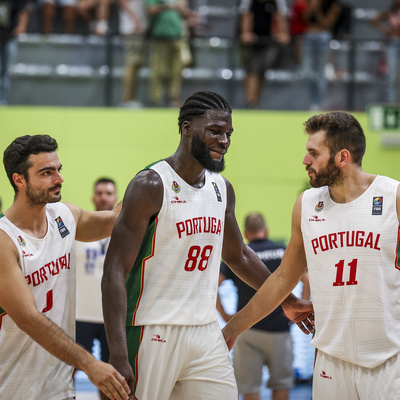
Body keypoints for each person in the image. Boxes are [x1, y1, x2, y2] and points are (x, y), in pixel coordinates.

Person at [101, 90, 314, 400]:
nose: (224, 140)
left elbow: (240, 256)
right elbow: (113, 271)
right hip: (152, 328)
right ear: (187, 128)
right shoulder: (150, 185)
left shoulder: (221, 188)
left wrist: (288, 300)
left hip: (205, 330)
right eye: (215, 131)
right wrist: (117, 352)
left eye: (228, 134)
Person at [222, 111, 400, 399]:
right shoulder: (306, 205)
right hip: (330, 360)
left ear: (342, 157)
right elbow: (282, 278)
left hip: (388, 360)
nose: (305, 160)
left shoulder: (393, 197)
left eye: (314, 153)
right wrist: (231, 330)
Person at [0, 135, 131, 400]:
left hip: (60, 388)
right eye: (46, 173)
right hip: (14, 388)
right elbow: (28, 318)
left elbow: (116, 220)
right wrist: (89, 363)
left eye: (58, 170)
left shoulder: (64, 216)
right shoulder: (5, 240)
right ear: (19, 180)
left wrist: (156, 175)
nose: (59, 179)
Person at [217, 212, 295, 400]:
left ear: (245, 233)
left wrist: (225, 315)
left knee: (249, 387)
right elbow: (307, 280)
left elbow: (213, 285)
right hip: (280, 328)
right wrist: (296, 308)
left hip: (247, 329)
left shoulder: (241, 256)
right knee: (281, 383)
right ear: (266, 230)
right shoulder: (282, 250)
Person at [75, 177, 118, 400]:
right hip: (81, 315)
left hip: (113, 318)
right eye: (99, 193)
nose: (103, 197)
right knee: (68, 371)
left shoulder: (127, 233)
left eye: (108, 193)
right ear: (93, 197)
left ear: (115, 198)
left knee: (111, 377)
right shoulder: (78, 230)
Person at [145, 0, 197, 107]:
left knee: (177, 71)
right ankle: (156, 99)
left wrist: (190, 14)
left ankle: (174, 99)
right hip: (160, 37)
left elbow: (183, 13)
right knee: (158, 71)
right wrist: (169, 6)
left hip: (178, 36)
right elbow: (150, 10)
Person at [238, 0, 290, 108]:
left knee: (261, 72)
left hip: (267, 41)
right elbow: (246, 15)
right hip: (250, 44)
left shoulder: (277, 2)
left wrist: (282, 33)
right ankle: (251, 101)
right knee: (252, 70)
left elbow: (280, 16)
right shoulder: (249, 2)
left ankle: (255, 101)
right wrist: (246, 32)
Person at [301, 0, 342, 110]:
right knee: (307, 72)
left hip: (323, 37)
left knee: (320, 72)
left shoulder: (334, 5)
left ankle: (318, 103)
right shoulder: (312, 2)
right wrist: (313, 7)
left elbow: (326, 23)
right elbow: (304, 18)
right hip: (309, 35)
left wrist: (317, 10)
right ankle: (310, 101)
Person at [0, 0, 31, 105]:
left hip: (9, 37)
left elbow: (23, 11)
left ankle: (2, 99)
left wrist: (21, 26)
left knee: (6, 70)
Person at [118, 0, 147, 108]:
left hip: (137, 29)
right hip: (132, 28)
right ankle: (126, 100)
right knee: (131, 64)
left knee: (136, 65)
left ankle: (131, 98)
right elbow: (123, 2)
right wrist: (135, 19)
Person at [370, 0, 400, 103]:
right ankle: (391, 102)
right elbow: (373, 21)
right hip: (393, 43)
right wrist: (385, 30)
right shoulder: (389, 12)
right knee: (391, 77)